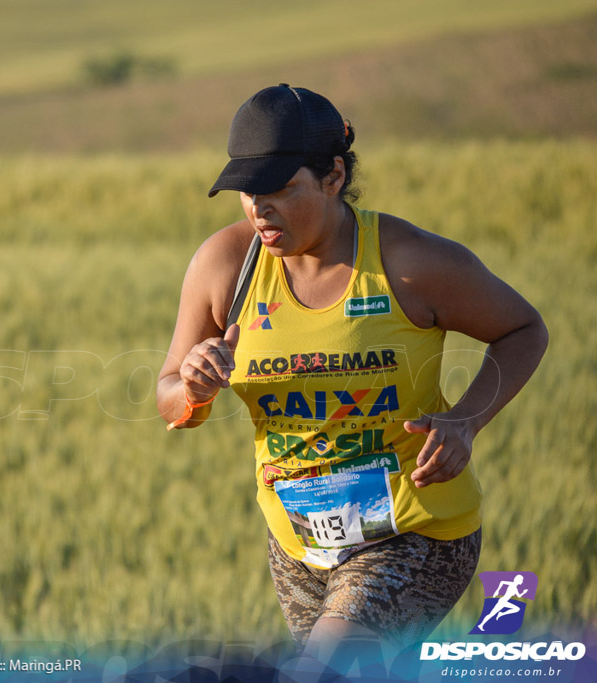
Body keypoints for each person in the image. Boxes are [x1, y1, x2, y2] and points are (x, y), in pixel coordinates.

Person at [156, 85, 548, 676]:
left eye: (282, 189)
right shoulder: (225, 266)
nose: (260, 209)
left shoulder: (410, 263)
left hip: (415, 534)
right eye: (248, 192)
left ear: (333, 175)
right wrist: (192, 387)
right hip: (298, 549)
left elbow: (523, 328)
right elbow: (168, 398)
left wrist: (466, 420)